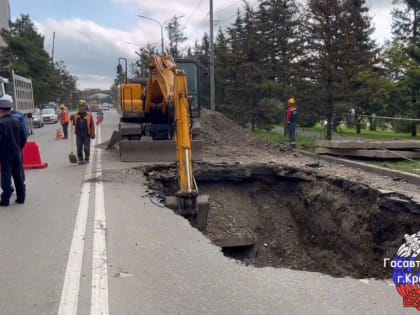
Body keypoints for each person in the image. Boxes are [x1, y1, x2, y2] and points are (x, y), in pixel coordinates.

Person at [0, 99, 27, 206]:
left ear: (1, 110)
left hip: (4, 154)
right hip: (17, 153)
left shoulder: (0, 123)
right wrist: (19, 148)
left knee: (6, 176)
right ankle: (21, 198)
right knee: (18, 176)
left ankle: (5, 200)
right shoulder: (17, 122)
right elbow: (23, 137)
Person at [72, 100, 95, 165]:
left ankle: (87, 159)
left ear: (85, 107)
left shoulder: (89, 115)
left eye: (83, 106)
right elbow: (74, 124)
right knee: (79, 148)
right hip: (79, 134)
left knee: (86, 148)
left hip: (86, 134)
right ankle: (80, 159)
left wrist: (93, 133)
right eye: (80, 106)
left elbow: (92, 125)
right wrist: (71, 118)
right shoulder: (76, 115)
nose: (81, 108)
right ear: (78, 107)